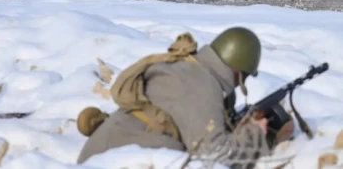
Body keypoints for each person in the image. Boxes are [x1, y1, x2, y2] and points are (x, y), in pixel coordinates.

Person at [77, 27, 286, 167]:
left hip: (100, 154)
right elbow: (214, 155)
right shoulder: (203, 85)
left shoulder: (185, 68)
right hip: (120, 158)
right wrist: (255, 134)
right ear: (238, 72)